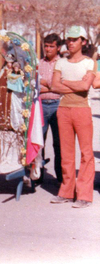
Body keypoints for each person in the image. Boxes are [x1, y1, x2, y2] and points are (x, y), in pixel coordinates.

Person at [51, 26, 95, 208]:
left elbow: (85, 87)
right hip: (64, 109)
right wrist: (75, 84)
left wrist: (65, 82)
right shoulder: (60, 63)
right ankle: (67, 192)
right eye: (68, 39)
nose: (70, 42)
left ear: (83, 42)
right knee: (66, 153)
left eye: (75, 39)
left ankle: (84, 195)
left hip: (82, 109)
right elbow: (54, 86)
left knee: (86, 153)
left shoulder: (89, 63)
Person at [38, 33, 62, 184]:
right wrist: (51, 85)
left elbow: (62, 88)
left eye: (51, 46)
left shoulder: (62, 64)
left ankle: (60, 177)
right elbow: (36, 88)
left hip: (57, 105)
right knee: (39, 141)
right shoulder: (38, 64)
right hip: (40, 106)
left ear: (58, 47)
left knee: (59, 143)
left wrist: (46, 85)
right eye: (46, 46)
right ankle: (38, 174)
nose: (48, 49)